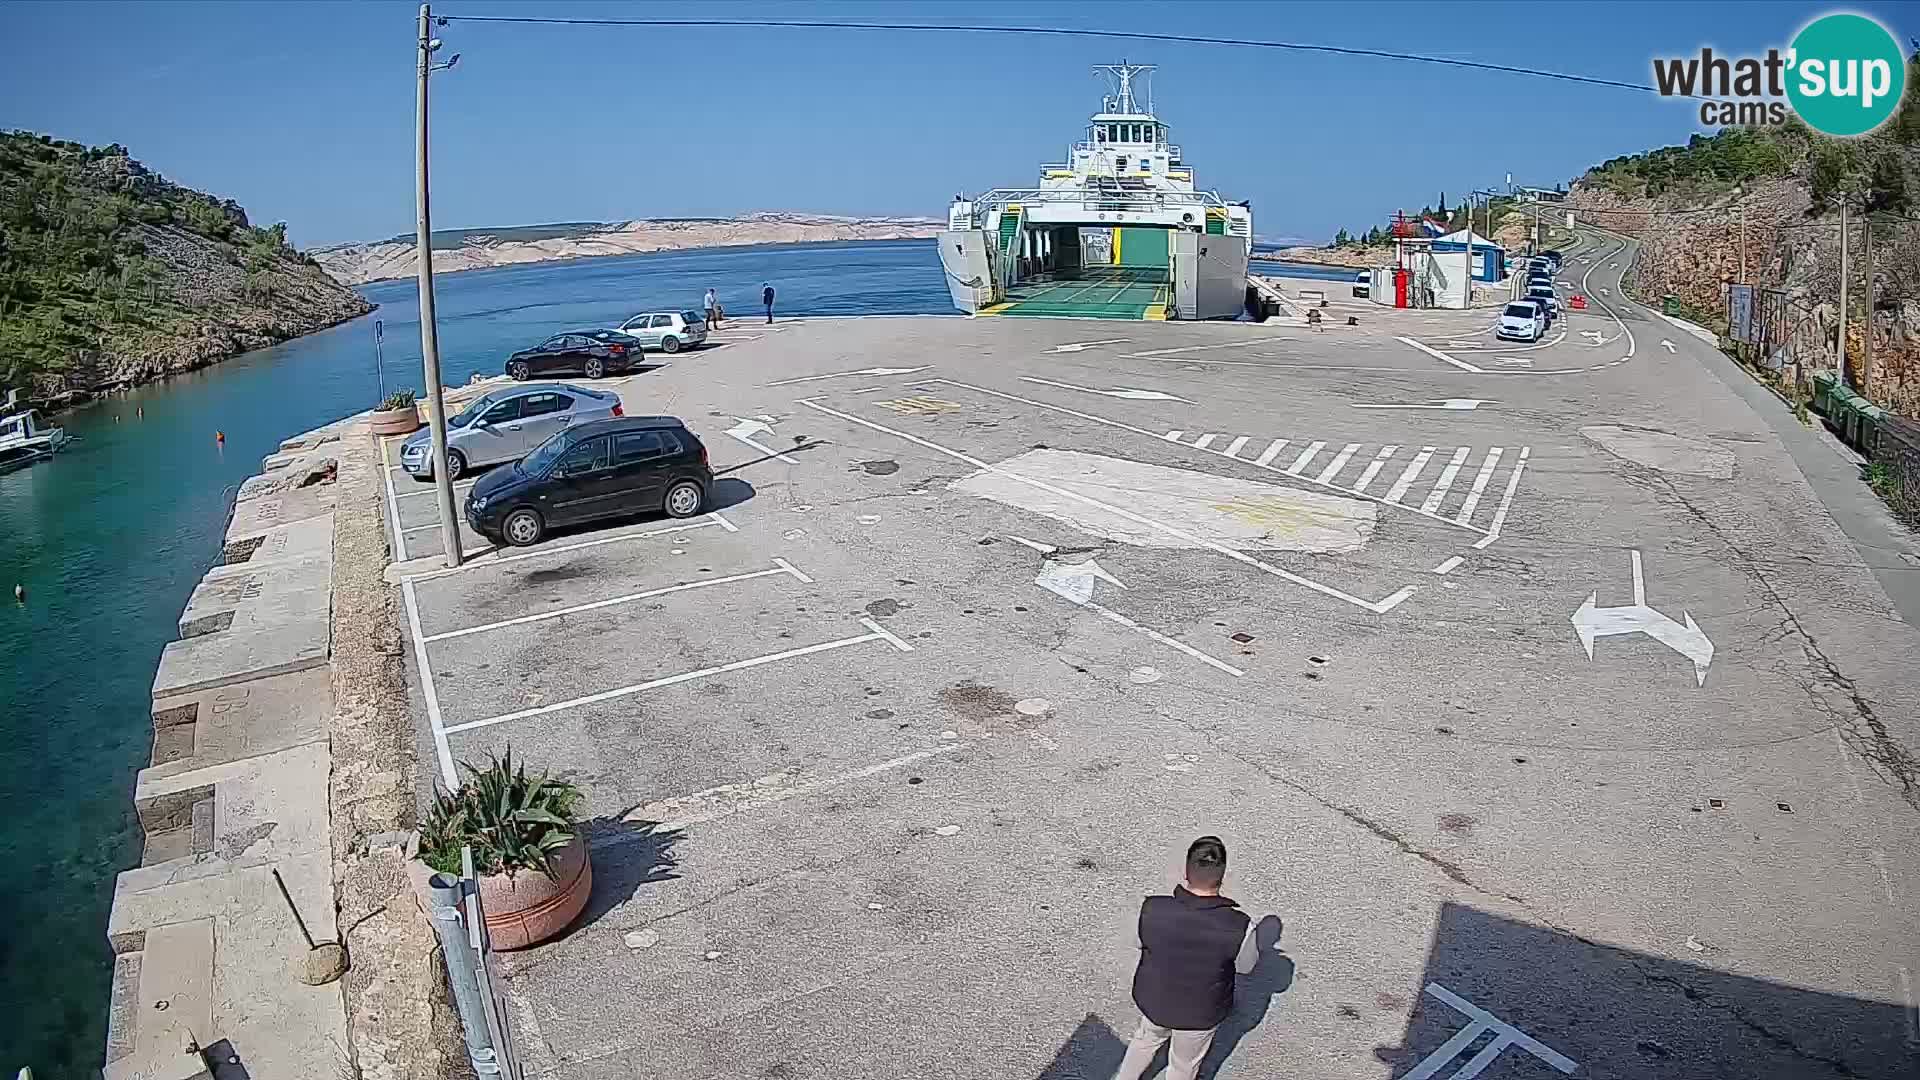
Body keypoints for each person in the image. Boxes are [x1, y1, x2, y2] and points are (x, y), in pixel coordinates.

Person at [1111, 836, 1260, 1080]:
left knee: (1144, 1041)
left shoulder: (1151, 908)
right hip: (1200, 1013)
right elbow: (1245, 967)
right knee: (1183, 1065)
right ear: (1222, 875)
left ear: (1186, 872)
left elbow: (1137, 941)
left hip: (1154, 1000)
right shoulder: (1240, 927)